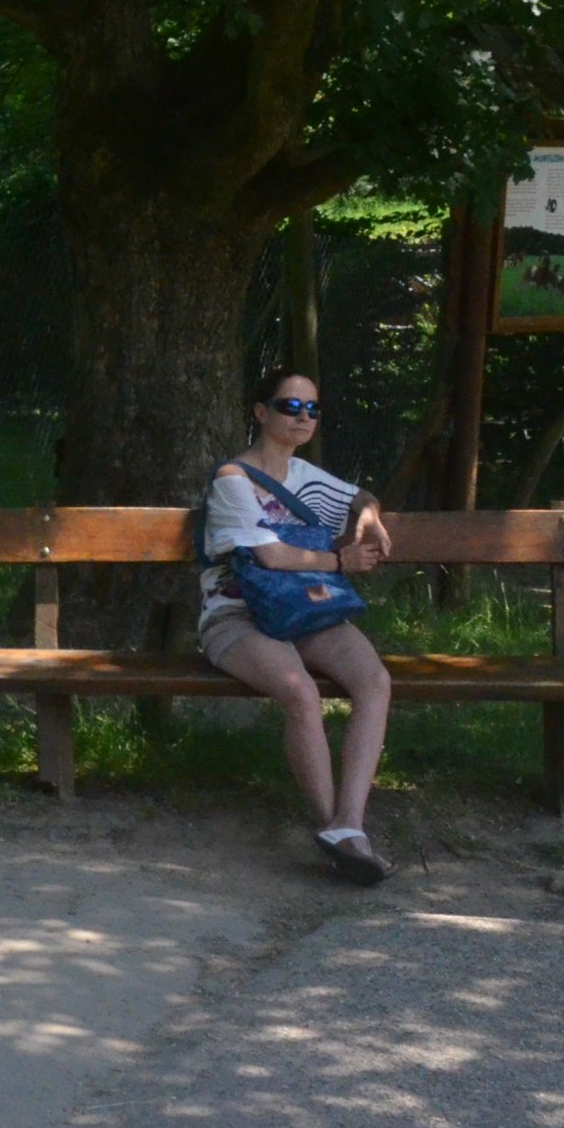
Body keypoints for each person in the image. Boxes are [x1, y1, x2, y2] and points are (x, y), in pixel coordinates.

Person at [200, 370, 397, 885]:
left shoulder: (306, 476)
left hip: (301, 609)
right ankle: (340, 832)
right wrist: (340, 562)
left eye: (312, 409)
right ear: (261, 413)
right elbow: (268, 554)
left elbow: (358, 495)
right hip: (237, 614)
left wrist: (370, 516)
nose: (303, 418)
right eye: (291, 406)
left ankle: (349, 825)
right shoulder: (232, 480)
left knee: (374, 680)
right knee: (300, 692)